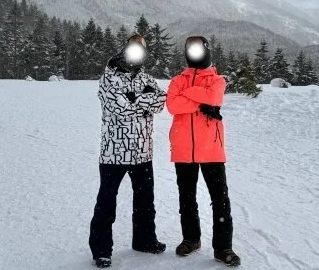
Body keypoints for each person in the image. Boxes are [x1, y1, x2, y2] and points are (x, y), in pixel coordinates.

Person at [89, 34, 167, 269]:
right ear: (125, 49)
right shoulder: (109, 77)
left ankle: (144, 240)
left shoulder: (146, 77)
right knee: (106, 202)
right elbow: (116, 106)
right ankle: (101, 250)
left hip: (142, 152)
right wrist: (143, 102)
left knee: (145, 202)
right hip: (114, 152)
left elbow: (160, 102)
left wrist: (135, 99)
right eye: (134, 48)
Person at [166, 36, 241, 267]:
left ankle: (223, 247)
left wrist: (188, 94)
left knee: (220, 199)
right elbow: (172, 105)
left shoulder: (217, 80)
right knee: (186, 198)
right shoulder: (178, 80)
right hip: (183, 148)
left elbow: (214, 97)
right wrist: (201, 101)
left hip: (211, 148)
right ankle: (191, 239)